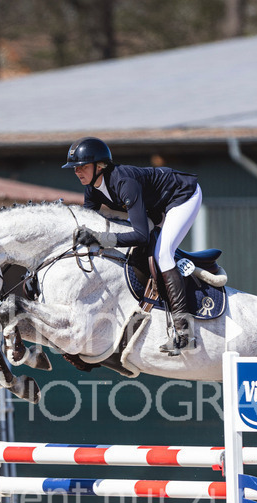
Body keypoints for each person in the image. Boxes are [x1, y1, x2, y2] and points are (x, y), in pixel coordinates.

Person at [63, 137, 202, 355]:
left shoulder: (124, 183)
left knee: (163, 254)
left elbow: (141, 236)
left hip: (181, 195)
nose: (77, 171)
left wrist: (101, 238)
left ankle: (184, 333)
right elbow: (86, 223)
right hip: (155, 206)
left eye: (82, 166)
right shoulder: (92, 188)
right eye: (75, 168)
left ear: (100, 166)